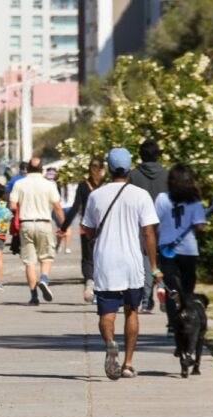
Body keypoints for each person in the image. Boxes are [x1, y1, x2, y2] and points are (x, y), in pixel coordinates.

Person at [81, 148, 162, 380]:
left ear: (108, 167)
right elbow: (148, 233)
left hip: (106, 261)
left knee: (107, 313)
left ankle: (109, 342)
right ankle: (127, 363)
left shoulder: (97, 195)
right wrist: (154, 266)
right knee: (132, 311)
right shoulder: (140, 195)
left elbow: (89, 230)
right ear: (129, 168)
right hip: (132, 262)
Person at [154, 164, 207, 355]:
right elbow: (200, 226)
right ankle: (188, 319)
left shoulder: (162, 198)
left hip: (167, 249)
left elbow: (154, 221)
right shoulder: (194, 201)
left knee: (171, 290)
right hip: (188, 251)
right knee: (187, 290)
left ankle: (172, 324)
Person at [9, 157, 65, 305]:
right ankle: (44, 279)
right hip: (44, 223)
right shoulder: (49, 184)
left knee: (29, 262)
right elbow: (57, 206)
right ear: (42, 169)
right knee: (46, 257)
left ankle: (34, 296)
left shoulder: (19, 184)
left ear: (27, 168)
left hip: (26, 224)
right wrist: (63, 226)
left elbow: (13, 206)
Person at [58, 157, 105, 302]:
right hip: (104, 228)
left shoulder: (83, 186)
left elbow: (75, 207)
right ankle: (100, 289)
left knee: (87, 259)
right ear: (103, 170)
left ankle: (89, 283)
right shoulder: (106, 186)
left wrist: (64, 227)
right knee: (102, 258)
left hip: (86, 227)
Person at [130, 139, 169, 313]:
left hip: (141, 224)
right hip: (164, 222)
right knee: (162, 258)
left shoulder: (133, 175)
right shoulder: (167, 174)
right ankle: (161, 286)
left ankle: (146, 300)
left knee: (146, 260)